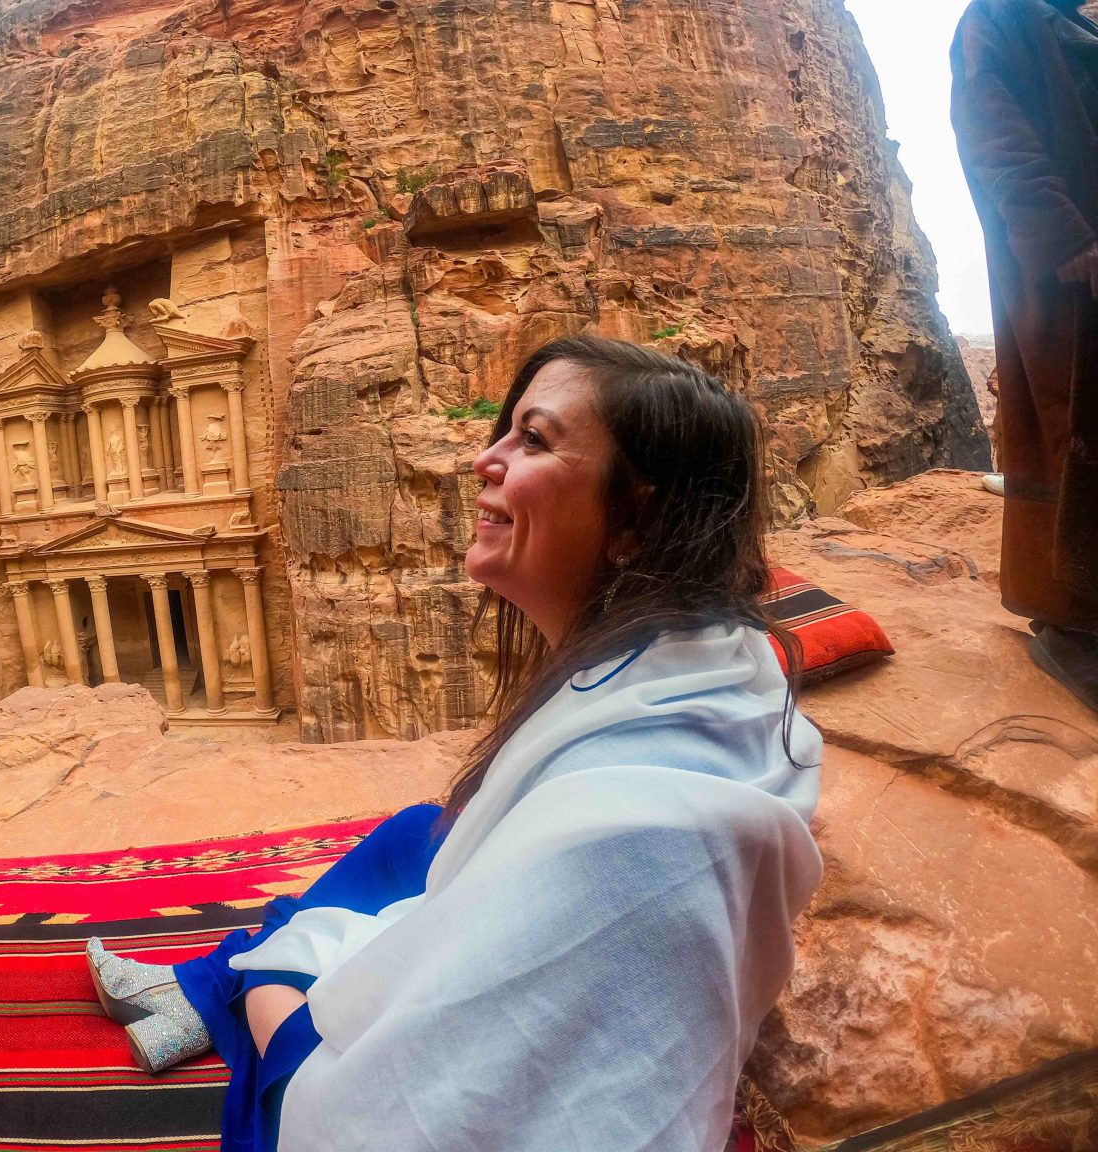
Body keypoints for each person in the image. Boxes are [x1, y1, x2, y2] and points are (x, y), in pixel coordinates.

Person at [86, 336, 824, 1151]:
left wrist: (272, 992)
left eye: (533, 440)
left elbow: (393, 1119)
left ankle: (224, 981)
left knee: (281, 957)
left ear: (636, 520)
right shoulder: (705, 665)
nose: (485, 458)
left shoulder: (624, 837)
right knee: (416, 834)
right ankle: (214, 980)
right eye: (505, 430)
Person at [951, 0, 1098, 715]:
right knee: (1071, 429)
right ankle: (1071, 626)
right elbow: (996, 139)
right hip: (1066, 276)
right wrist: (1064, 239)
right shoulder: (998, 17)